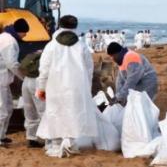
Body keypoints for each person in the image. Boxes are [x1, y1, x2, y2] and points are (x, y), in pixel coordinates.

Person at [36, 15, 97, 158]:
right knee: (74, 114)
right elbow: (89, 69)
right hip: (77, 86)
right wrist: (86, 87)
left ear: (59, 25)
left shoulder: (51, 45)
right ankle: (71, 144)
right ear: (75, 27)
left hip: (55, 86)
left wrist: (41, 87)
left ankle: (57, 146)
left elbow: (43, 68)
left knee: (55, 113)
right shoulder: (81, 46)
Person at [0, 18, 29, 146]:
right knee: (3, 110)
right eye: (25, 32)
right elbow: (12, 63)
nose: (25, 35)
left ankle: (2, 135)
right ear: (20, 31)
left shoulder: (5, 36)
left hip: (4, 80)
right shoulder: (10, 42)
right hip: (1, 79)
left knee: (8, 107)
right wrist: (24, 76)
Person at [19, 51, 45, 148]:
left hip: (26, 82)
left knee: (29, 111)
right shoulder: (49, 53)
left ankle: (32, 138)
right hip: (39, 85)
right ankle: (47, 138)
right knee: (43, 110)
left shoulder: (35, 53)